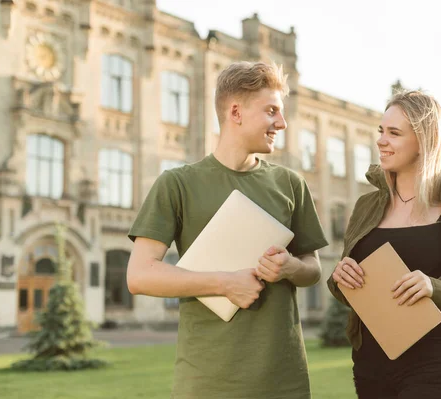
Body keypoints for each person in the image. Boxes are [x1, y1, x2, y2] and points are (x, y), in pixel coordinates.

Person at [127, 61, 328, 399]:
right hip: (207, 382)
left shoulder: (291, 184)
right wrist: (225, 283)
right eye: (271, 111)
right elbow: (139, 275)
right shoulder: (177, 184)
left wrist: (291, 267)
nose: (282, 122)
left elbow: (313, 269)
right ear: (235, 111)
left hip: (284, 380)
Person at [327, 90, 441, 398]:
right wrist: (340, 278)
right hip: (369, 364)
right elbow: (350, 287)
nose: (381, 140)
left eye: (394, 133)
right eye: (381, 131)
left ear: (424, 140)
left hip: (435, 362)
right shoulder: (365, 207)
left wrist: (437, 287)